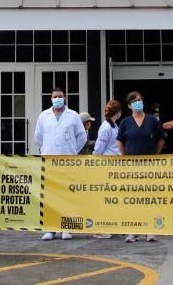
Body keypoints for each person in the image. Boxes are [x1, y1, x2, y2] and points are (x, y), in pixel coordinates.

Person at [35, 87, 87, 241]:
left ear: (65, 98)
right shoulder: (44, 115)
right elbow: (38, 137)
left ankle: (66, 227)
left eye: (60, 96)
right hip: (49, 161)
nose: (57, 98)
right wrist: (47, 148)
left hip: (68, 162)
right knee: (50, 196)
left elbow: (82, 137)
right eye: (54, 96)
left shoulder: (73, 116)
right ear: (51, 98)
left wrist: (72, 150)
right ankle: (50, 229)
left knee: (67, 195)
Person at [117, 91, 166, 243]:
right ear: (129, 105)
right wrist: (126, 158)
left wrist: (154, 155)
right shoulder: (125, 122)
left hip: (149, 166)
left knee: (149, 199)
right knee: (133, 199)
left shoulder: (152, 121)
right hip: (131, 167)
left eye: (139, 100)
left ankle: (150, 230)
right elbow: (120, 142)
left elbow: (161, 139)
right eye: (134, 101)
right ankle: (133, 229)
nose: (138, 103)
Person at [92, 100, 122, 239]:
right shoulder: (106, 127)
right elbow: (99, 149)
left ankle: (110, 225)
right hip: (105, 167)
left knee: (111, 199)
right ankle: (99, 228)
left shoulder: (114, 126)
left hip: (114, 167)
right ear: (118, 112)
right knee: (103, 199)